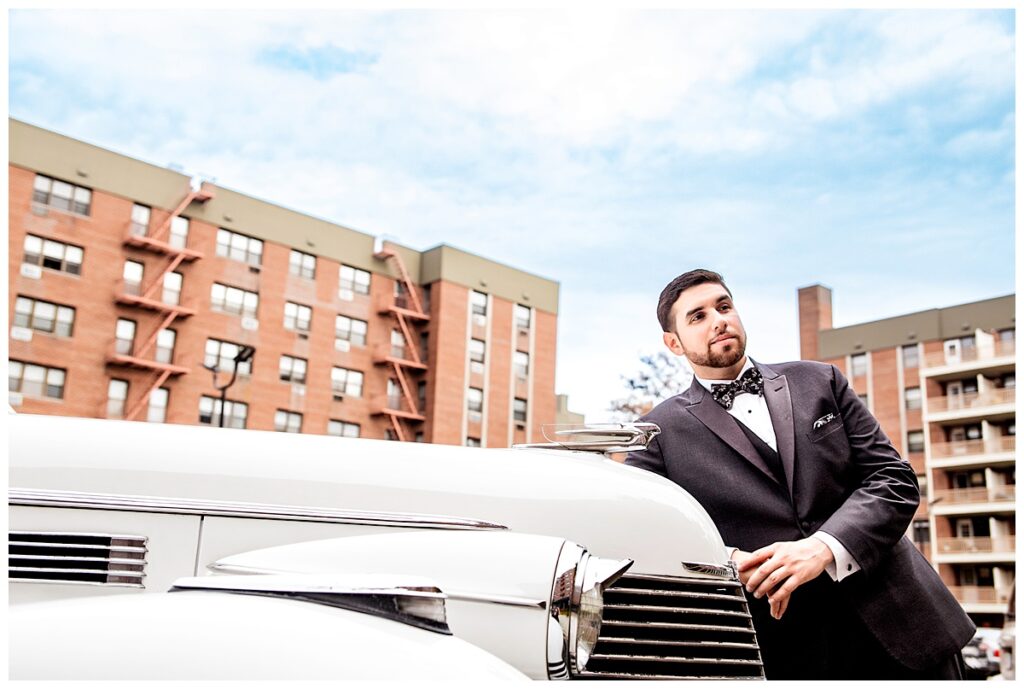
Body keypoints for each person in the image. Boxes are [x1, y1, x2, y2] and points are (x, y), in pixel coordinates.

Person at [625, 269, 974, 680]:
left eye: (724, 306)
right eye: (697, 316)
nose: (718, 320)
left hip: (905, 628)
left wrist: (825, 547)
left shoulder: (820, 380)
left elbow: (893, 479)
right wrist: (730, 561)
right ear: (674, 343)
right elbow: (645, 533)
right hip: (788, 651)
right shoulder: (656, 432)